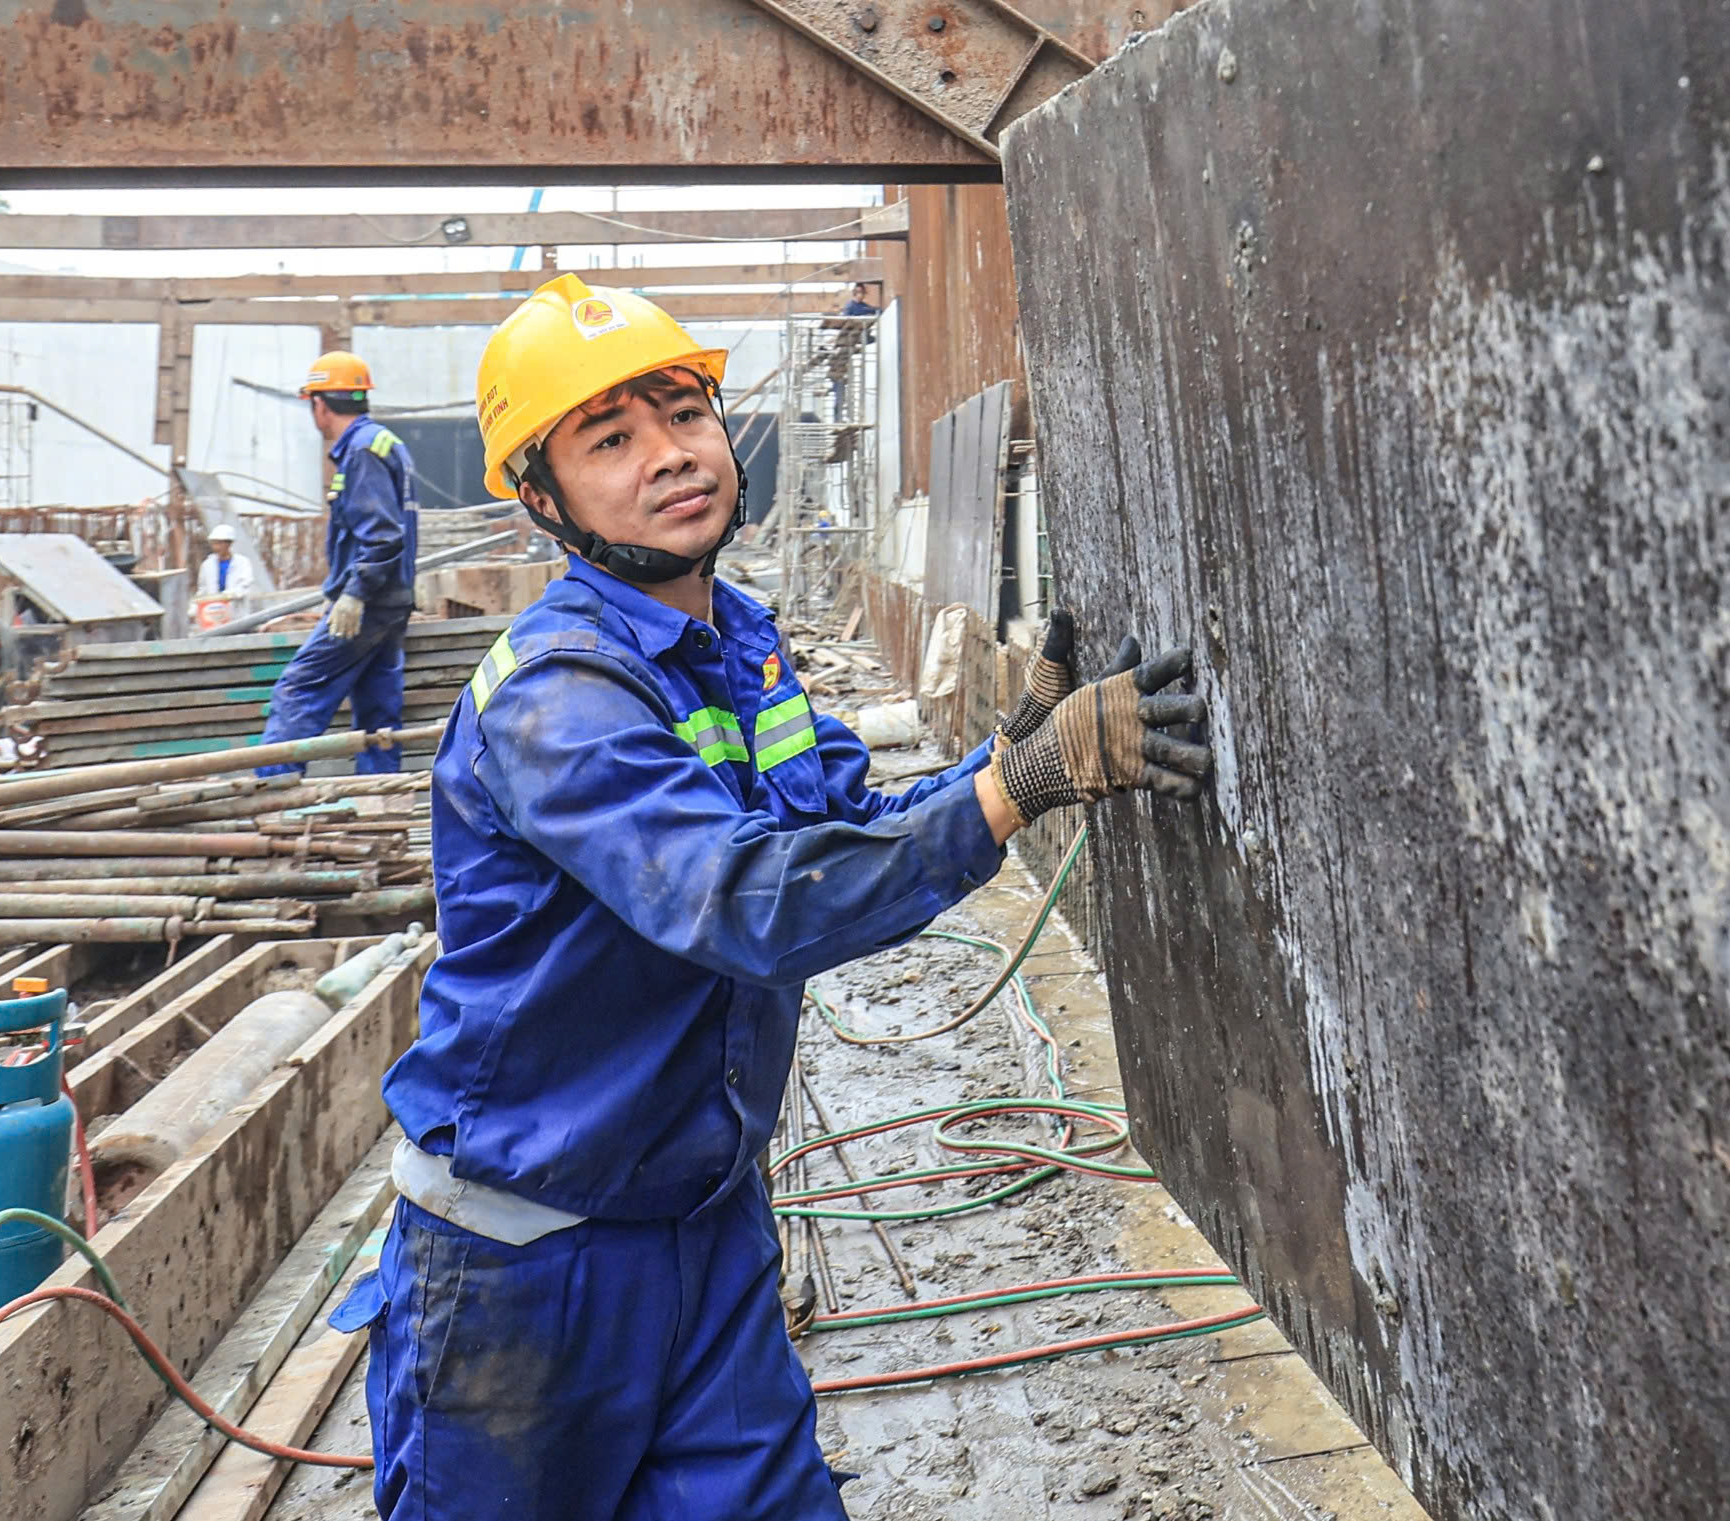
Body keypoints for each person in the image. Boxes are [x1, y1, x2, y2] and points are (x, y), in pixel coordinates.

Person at [326, 273, 1212, 1519]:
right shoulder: (557, 700)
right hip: (528, 1264)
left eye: (682, 413)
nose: (672, 456)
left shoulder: (735, 641)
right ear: (540, 499)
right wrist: (1020, 788)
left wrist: (1000, 758)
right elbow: (751, 900)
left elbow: (837, 829)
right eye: (610, 439)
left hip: (705, 1229)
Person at [251, 352, 418, 777]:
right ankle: (381, 804)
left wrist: (353, 595)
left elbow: (382, 537)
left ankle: (275, 797)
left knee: (299, 689)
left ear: (319, 404)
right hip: (392, 599)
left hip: (368, 603)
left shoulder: (362, 453)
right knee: (377, 710)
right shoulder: (383, 443)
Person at [198, 523, 258, 598]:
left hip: (236, 607)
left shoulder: (242, 563)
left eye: (219, 543)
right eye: (214, 543)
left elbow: (245, 587)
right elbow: (203, 590)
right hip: (212, 607)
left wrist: (227, 595)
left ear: (229, 544)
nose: (216, 547)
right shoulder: (207, 565)